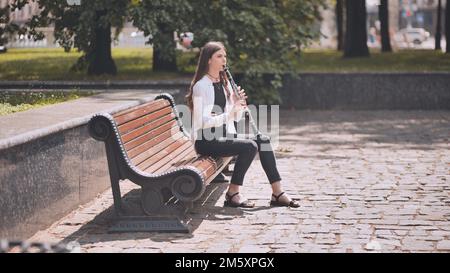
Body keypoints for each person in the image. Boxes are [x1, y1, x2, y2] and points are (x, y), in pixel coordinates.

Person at [185, 41, 300, 208]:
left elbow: (234, 119)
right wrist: (229, 113)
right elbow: (202, 122)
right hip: (207, 141)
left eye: (225, 56)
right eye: (219, 56)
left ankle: (278, 192)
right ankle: (233, 193)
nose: (224, 59)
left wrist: (237, 105)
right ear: (208, 60)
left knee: (264, 140)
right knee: (249, 147)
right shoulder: (201, 86)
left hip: (225, 136)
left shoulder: (225, 84)